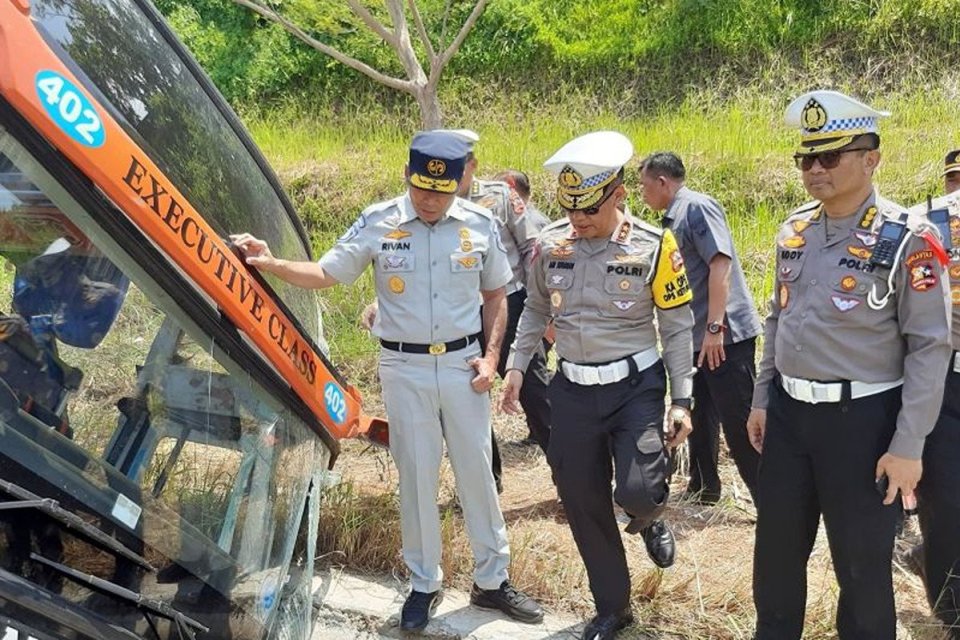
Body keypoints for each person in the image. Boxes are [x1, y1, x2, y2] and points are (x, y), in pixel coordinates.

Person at [231, 131, 543, 632]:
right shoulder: (379, 221)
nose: (430, 201)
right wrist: (270, 263)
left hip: (464, 366)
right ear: (406, 176)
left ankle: (492, 581)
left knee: (478, 474)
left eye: (441, 192)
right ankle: (424, 583)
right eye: (422, 189)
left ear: (459, 183)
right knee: (417, 477)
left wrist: (491, 358)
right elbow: (326, 273)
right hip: (405, 367)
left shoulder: (480, 223)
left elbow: (495, 296)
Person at [746, 90, 952, 640]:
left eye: (831, 156)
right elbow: (777, 319)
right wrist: (763, 399)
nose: (815, 169)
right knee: (775, 559)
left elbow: (930, 347)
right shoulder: (794, 230)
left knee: (861, 572)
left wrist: (909, 446)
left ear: (871, 159)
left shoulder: (909, 240)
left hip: (863, 423)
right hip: (790, 416)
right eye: (806, 158)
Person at [501, 131, 695, 640]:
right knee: (582, 501)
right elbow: (535, 308)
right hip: (572, 389)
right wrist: (517, 366)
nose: (579, 219)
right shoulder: (551, 245)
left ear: (619, 195)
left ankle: (648, 514)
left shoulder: (654, 245)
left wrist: (682, 400)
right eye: (570, 208)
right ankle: (613, 607)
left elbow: (677, 327)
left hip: (635, 388)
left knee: (637, 490)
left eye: (589, 208)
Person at [638, 152, 762, 505]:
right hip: (698, 335)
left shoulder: (696, 207)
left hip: (724, 336)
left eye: (644, 186)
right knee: (701, 412)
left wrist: (714, 327)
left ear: (663, 182)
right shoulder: (672, 217)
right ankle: (704, 487)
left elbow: (720, 264)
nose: (642, 194)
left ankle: (769, 499)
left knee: (739, 420)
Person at [906, 154, 960, 636]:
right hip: (943, 376)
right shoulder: (923, 225)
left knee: (944, 501)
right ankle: (950, 613)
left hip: (940, 375)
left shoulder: (921, 222)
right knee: (943, 499)